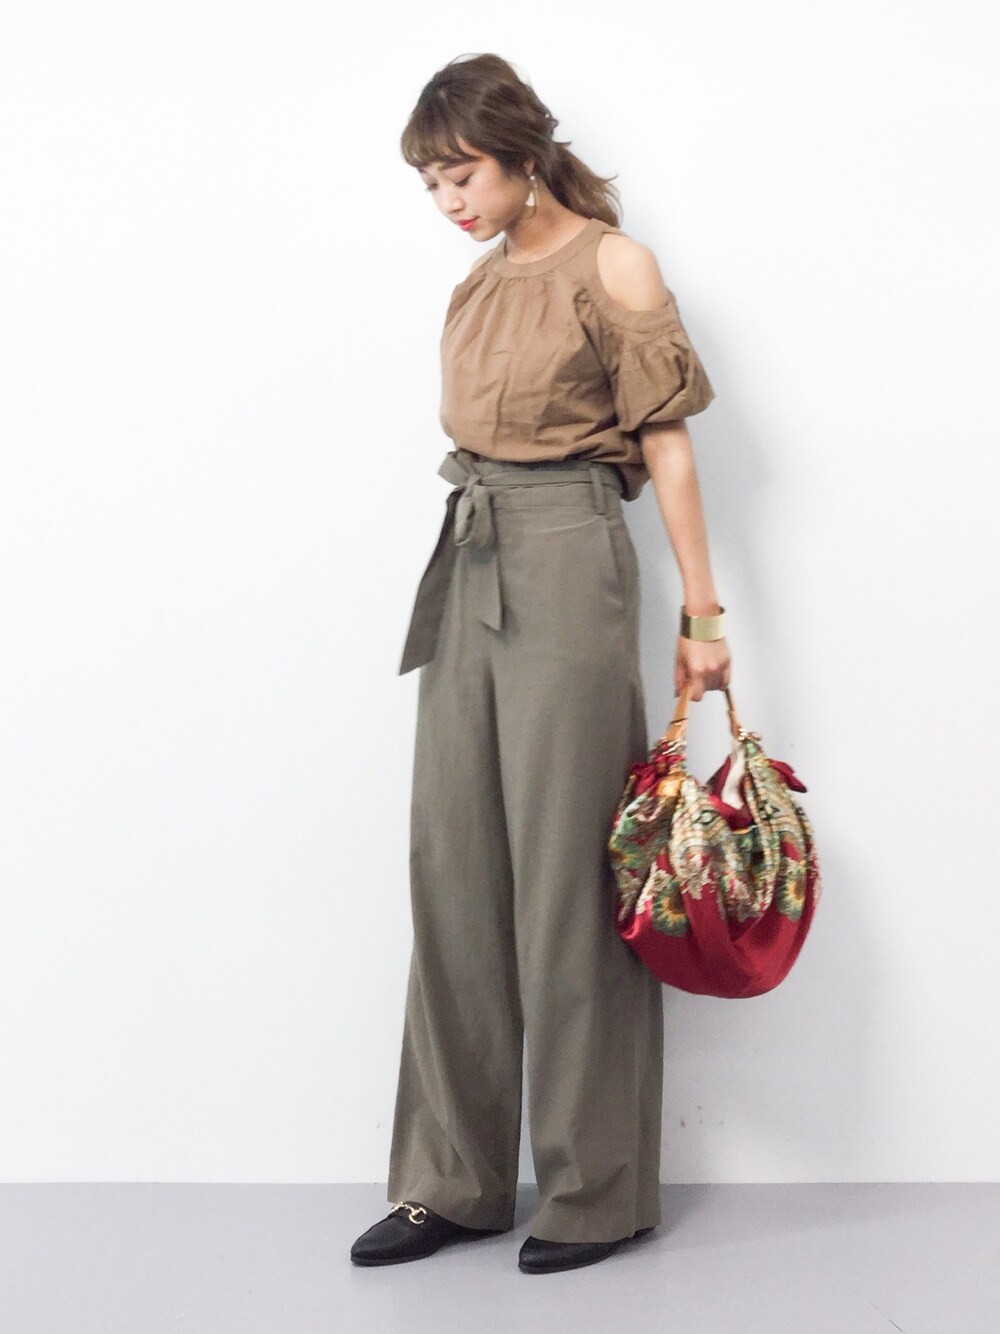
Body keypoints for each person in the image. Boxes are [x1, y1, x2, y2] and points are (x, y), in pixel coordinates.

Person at [351, 52, 731, 1276]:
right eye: (430, 183)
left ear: (520, 153)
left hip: (569, 548)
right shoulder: (476, 283)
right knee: (454, 860)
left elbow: (666, 444)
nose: (447, 201)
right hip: (470, 550)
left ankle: (595, 1185)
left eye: (460, 173)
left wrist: (703, 617)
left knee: (569, 868)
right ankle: (451, 1180)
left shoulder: (613, 264)